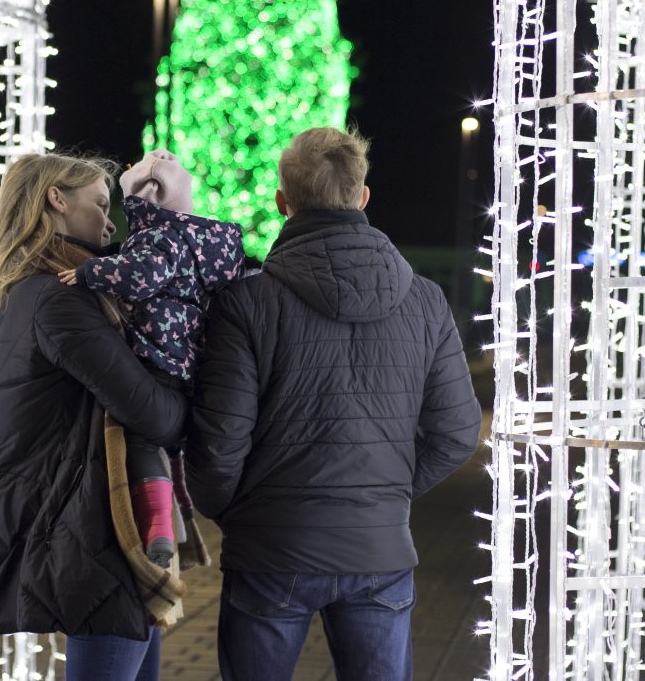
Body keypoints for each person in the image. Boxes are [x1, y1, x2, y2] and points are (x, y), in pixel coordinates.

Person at [186, 127, 483, 681]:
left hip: (270, 549)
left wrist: (234, 512)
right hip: (379, 551)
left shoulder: (245, 303)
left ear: (282, 201)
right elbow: (457, 432)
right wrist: (382, 494)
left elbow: (218, 441)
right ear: (363, 197)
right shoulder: (425, 299)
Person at [0, 151, 188, 681]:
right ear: (56, 199)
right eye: (99, 204)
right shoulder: (57, 300)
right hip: (92, 533)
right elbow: (156, 416)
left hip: (84, 524)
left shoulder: (35, 292)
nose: (109, 222)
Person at [59, 149, 244, 567]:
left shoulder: (158, 237)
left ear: (141, 203)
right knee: (172, 448)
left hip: (158, 350)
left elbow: (142, 277)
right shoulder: (204, 240)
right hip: (188, 356)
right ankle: (182, 514)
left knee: (141, 440)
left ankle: (160, 529)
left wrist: (91, 272)